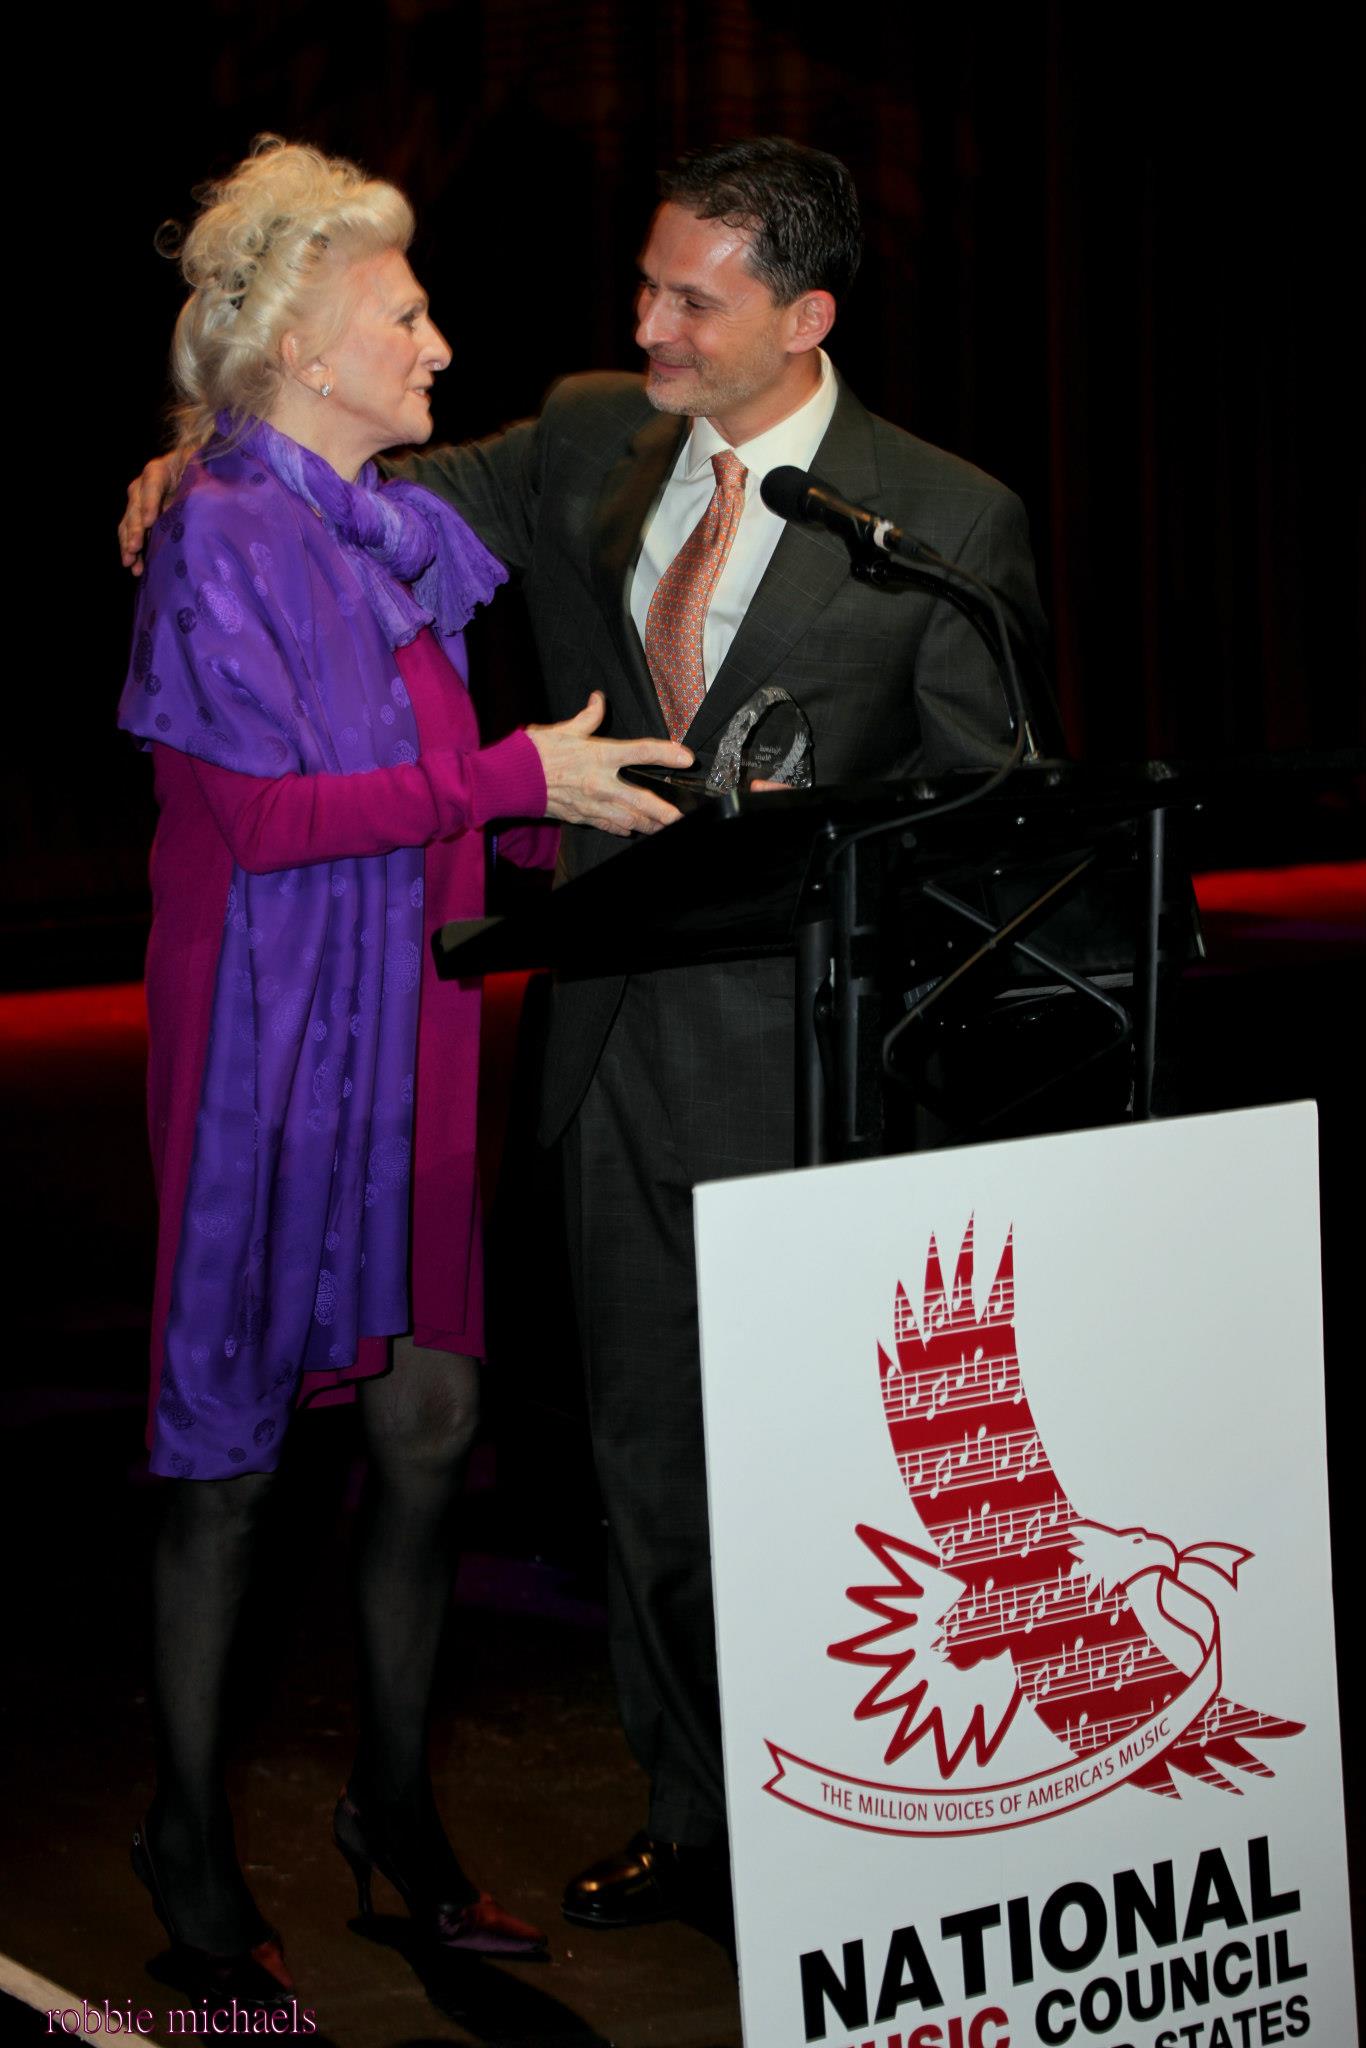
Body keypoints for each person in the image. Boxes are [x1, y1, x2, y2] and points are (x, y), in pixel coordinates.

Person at [121, 135, 1050, 1938]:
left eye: (690, 299)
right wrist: (181, 457)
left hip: (790, 1056)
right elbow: (278, 504)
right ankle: (689, 1824)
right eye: (643, 285)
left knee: (816, 1467)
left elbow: (988, 827)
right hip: (544, 1047)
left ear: (807, 317)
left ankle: (872, 1828)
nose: (645, 327)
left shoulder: (938, 518)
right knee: (631, 1461)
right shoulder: (572, 443)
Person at [117, 137, 691, 2005]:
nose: (440, 346)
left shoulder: (382, 528)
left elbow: (443, 811)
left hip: (411, 1014)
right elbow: (272, 822)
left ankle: (392, 1811)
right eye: (407, 314)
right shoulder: (217, 528)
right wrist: (513, 779)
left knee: (432, 1427)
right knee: (231, 1473)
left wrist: (576, 821)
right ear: (300, 343)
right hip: (268, 1042)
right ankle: (187, 1841)